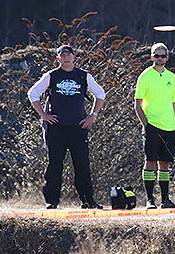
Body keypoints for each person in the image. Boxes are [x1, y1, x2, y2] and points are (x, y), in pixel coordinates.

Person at [27, 44, 106, 209]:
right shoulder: (52, 76)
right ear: (58, 59)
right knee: (55, 165)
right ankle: (52, 201)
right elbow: (33, 93)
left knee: (82, 165)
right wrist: (44, 115)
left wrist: (93, 115)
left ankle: (88, 201)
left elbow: (100, 94)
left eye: (68, 55)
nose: (66, 58)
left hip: (78, 128)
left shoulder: (84, 76)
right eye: (62, 56)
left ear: (74, 57)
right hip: (56, 128)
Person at [134, 42, 175, 209]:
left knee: (165, 164)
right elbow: (137, 105)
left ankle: (165, 200)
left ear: (167, 57)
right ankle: (149, 200)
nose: (160, 58)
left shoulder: (171, 77)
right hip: (152, 125)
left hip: (169, 127)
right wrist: (146, 125)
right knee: (150, 162)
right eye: (157, 55)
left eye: (163, 56)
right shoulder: (145, 76)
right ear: (151, 57)